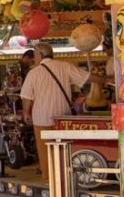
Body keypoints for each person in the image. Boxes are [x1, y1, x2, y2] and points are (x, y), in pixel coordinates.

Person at [21, 41, 98, 174]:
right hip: (63, 119)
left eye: (35, 54)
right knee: (64, 151)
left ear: (40, 54)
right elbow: (87, 78)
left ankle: (49, 178)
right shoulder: (65, 66)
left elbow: (27, 97)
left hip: (41, 119)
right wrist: (108, 79)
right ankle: (65, 176)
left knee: (46, 153)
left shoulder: (33, 73)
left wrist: (26, 114)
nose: (34, 58)